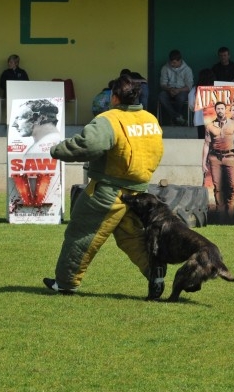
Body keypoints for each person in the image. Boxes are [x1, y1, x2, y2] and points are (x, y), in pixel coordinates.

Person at [43, 74, 165, 299]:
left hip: (108, 191)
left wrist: (56, 149)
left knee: (81, 235)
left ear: (115, 97)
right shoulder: (150, 119)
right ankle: (155, 272)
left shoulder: (109, 119)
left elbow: (88, 145)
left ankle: (65, 283)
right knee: (135, 238)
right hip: (139, 193)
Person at [202, 101, 234, 222]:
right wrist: (203, 162)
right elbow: (207, 144)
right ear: (215, 110)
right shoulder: (210, 126)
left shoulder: (233, 124)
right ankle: (220, 210)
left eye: (222, 108)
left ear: (225, 110)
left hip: (230, 157)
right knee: (218, 187)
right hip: (215, 158)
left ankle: (230, 205)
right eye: (218, 109)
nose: (220, 111)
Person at [159, 49, 193, 125]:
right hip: (169, 90)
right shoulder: (165, 68)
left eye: (174, 63)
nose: (172, 64)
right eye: (171, 62)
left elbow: (189, 86)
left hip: (182, 91)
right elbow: (162, 84)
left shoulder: (187, 70)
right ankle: (177, 117)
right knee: (161, 96)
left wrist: (179, 90)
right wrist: (169, 89)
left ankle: (174, 118)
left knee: (180, 97)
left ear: (180, 60)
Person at [188, 68, 216, 139]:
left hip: (200, 120)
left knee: (202, 143)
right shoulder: (217, 89)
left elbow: (191, 105)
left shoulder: (195, 90)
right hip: (215, 120)